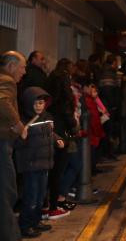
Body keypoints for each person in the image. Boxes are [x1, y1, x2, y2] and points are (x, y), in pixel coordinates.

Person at [15, 87, 64, 238]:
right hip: (31, 165)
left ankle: (36, 221)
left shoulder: (47, 117)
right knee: (31, 196)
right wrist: (21, 136)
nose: (38, 106)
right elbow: (17, 143)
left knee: (41, 195)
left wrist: (58, 139)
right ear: (29, 104)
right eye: (35, 103)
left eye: (41, 103)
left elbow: (50, 132)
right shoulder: (23, 121)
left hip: (44, 163)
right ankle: (25, 225)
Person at [44, 58, 77, 219]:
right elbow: (65, 106)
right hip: (61, 128)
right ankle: (53, 206)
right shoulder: (62, 80)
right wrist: (73, 124)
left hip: (55, 124)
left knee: (51, 169)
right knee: (58, 169)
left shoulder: (52, 78)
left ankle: (47, 205)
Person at [0, 51, 27, 241]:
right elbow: (2, 102)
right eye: (22, 67)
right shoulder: (6, 80)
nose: (24, 72)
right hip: (2, 144)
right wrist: (18, 125)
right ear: (11, 66)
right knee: (6, 192)